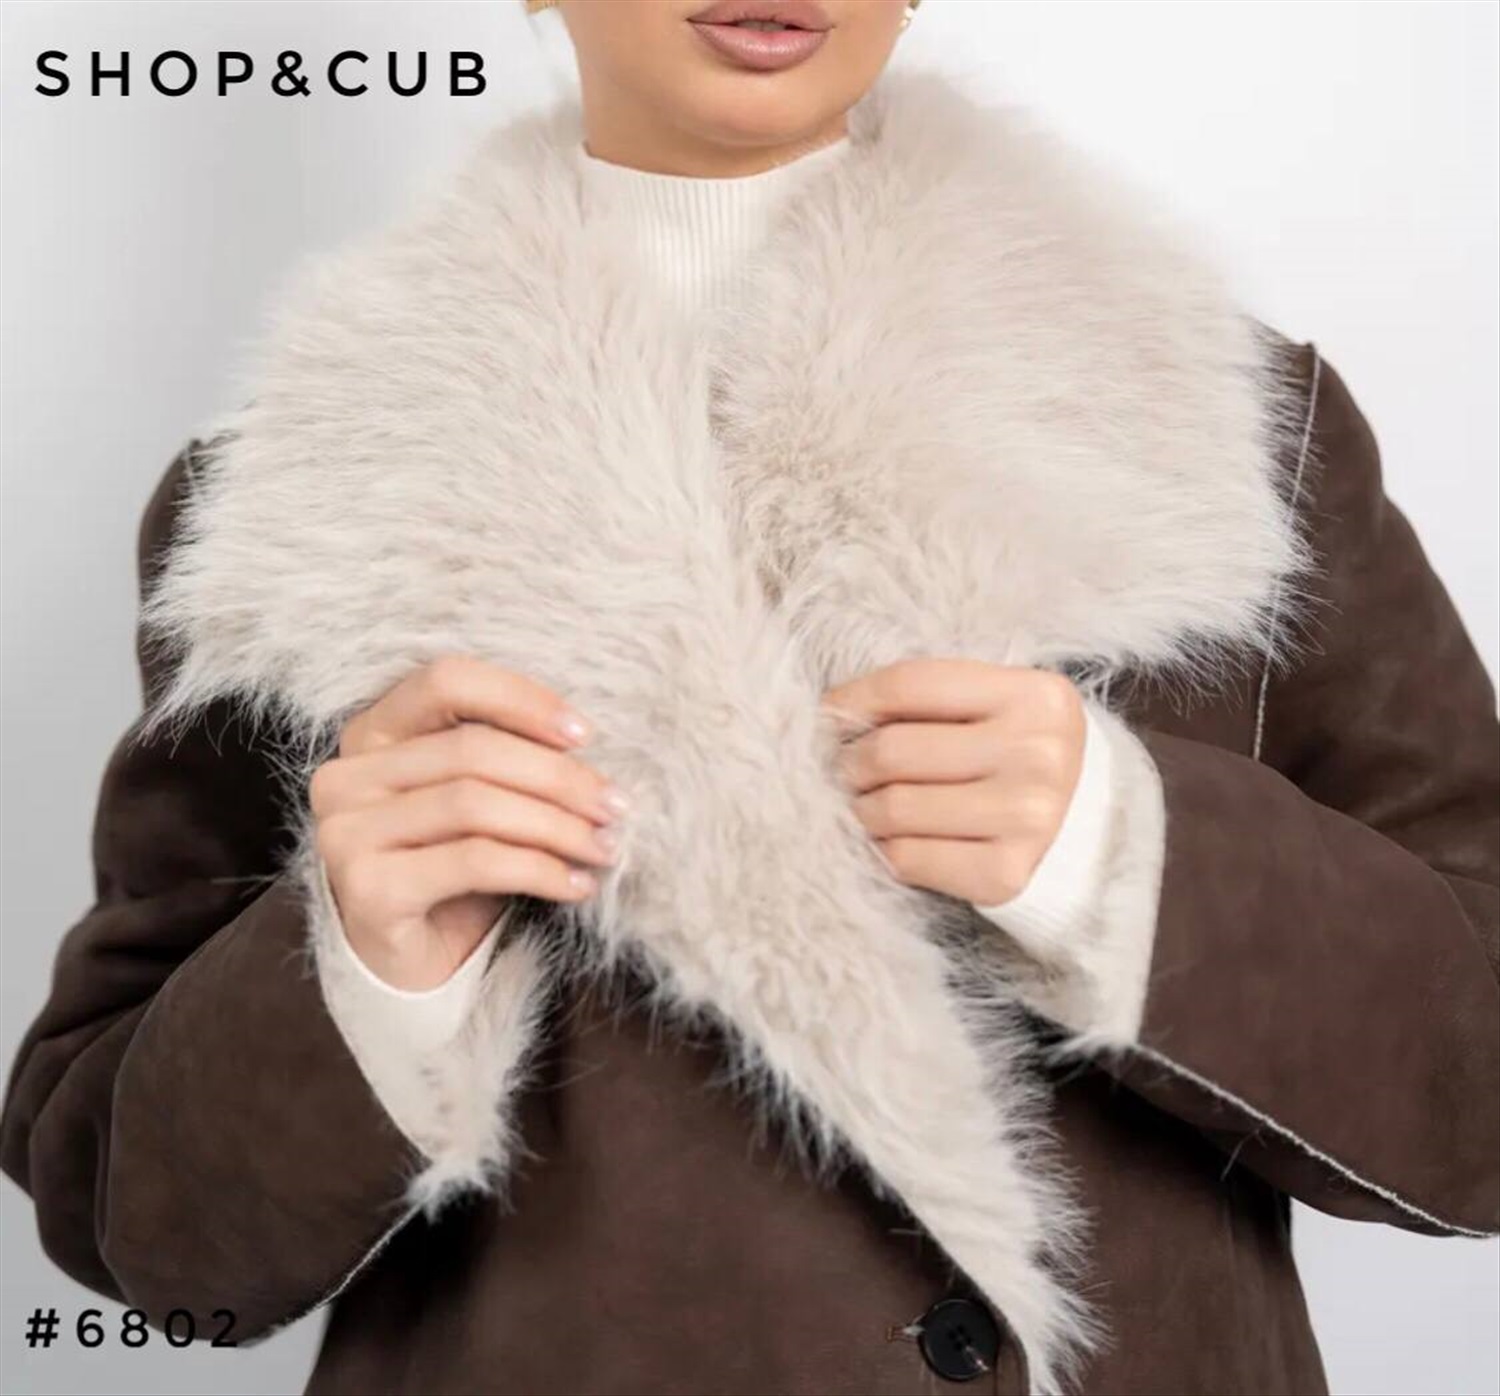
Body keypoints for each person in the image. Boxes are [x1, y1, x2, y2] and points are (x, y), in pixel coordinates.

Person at [4, 2, 1496, 1394]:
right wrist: (361, 971)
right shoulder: (292, 501)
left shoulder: (1233, 427)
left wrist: (1129, 861)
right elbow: (141, 1237)